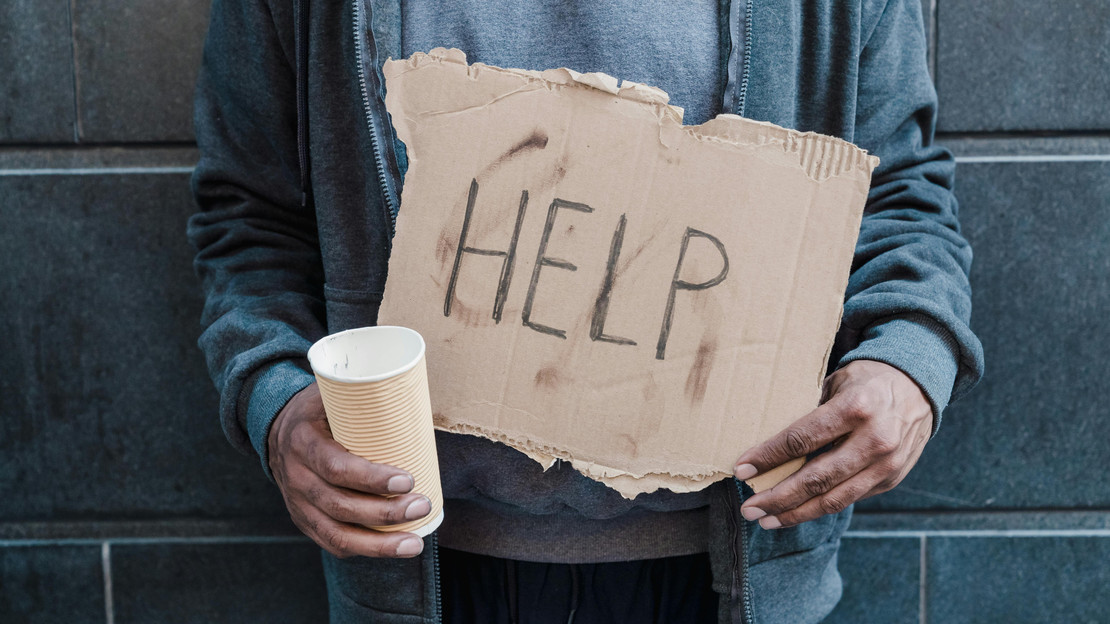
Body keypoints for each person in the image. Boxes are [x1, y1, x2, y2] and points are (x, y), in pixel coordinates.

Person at [188, 0, 984, 622]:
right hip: (423, 573)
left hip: (731, 575)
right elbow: (250, 217)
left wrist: (908, 362)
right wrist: (277, 403)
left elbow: (899, 197)